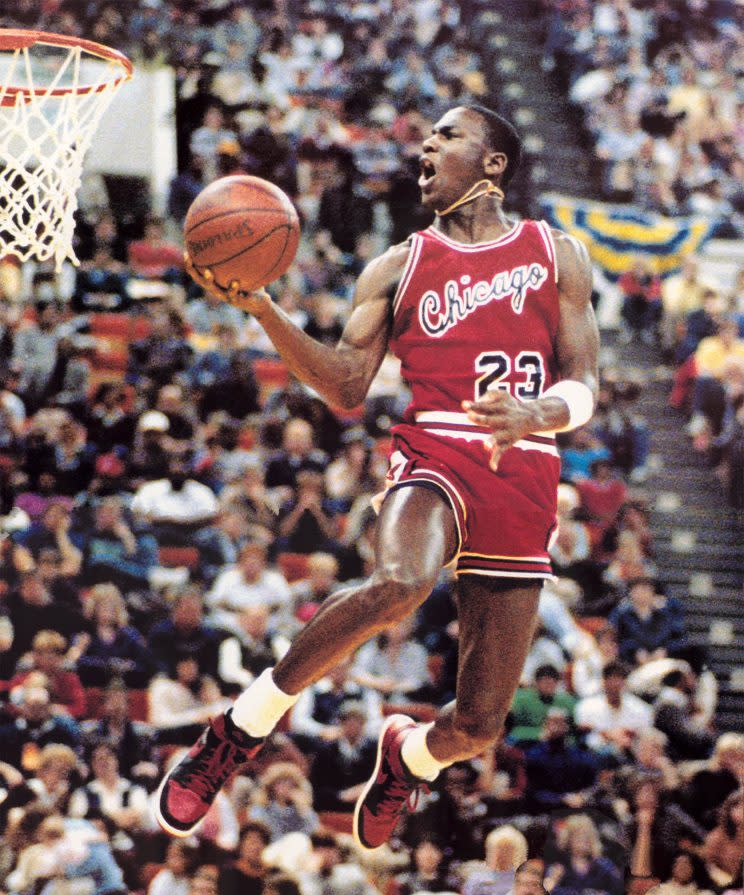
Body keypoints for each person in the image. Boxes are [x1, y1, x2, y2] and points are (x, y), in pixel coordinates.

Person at [159, 103, 599, 851]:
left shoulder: (556, 252)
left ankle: (408, 757)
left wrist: (537, 412)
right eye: (426, 134)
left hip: (524, 465)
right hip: (437, 451)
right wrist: (263, 308)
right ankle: (238, 730)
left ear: (494, 163)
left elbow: (588, 383)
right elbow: (344, 386)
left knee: (479, 725)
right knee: (402, 580)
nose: (427, 143)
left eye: (449, 135)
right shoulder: (398, 265)